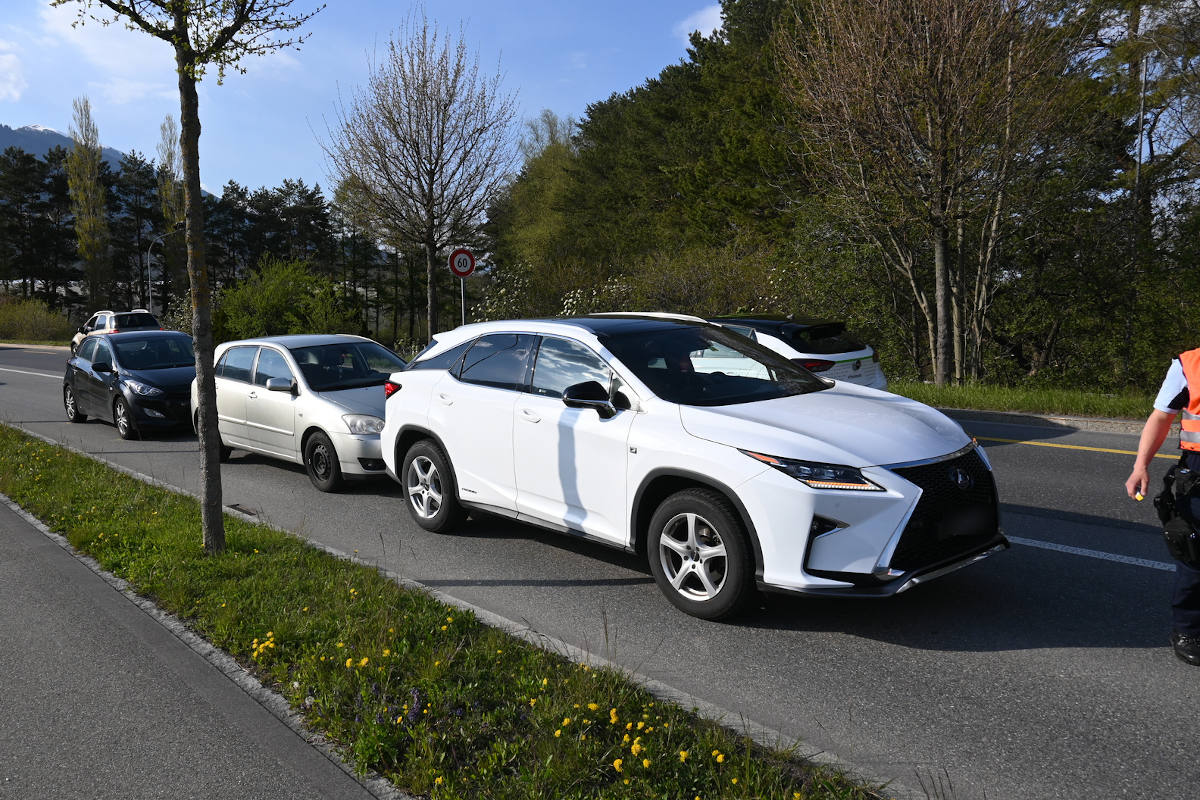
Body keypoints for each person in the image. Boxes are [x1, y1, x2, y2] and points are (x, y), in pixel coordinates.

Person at [1125, 350, 1200, 666]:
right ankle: (1188, 630)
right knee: (1195, 553)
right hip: (1199, 471)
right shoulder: (1189, 365)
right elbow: (1160, 416)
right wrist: (1140, 465)